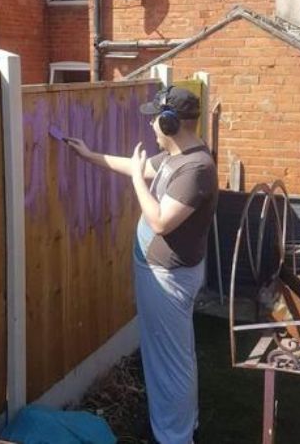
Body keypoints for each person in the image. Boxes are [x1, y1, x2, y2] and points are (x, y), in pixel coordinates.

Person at [65, 86, 218, 444]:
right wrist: (89, 155)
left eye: (155, 119)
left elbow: (161, 221)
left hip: (168, 278)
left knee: (168, 364)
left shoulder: (195, 168)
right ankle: (181, 426)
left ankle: (174, 437)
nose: (151, 125)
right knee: (172, 356)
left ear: (170, 123)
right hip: (164, 274)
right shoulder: (177, 157)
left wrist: (136, 179)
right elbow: (137, 167)